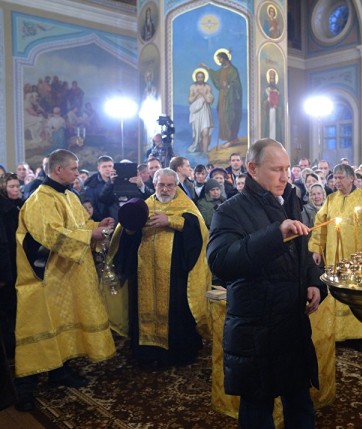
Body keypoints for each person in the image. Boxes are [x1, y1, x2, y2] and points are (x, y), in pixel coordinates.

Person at [207, 139, 327, 428]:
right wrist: (275, 235)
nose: (285, 176)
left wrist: (313, 281)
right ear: (252, 168)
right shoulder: (230, 210)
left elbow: (301, 251)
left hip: (291, 325)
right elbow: (221, 262)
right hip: (256, 333)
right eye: (276, 169)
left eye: (287, 168)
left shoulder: (291, 201)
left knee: (300, 406)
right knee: (257, 412)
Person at [13, 149, 116, 411]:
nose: (77, 172)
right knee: (39, 326)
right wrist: (89, 236)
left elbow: (80, 224)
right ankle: (25, 387)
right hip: (44, 277)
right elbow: (50, 235)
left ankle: (60, 370)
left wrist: (96, 225)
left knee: (64, 321)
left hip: (66, 274)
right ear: (58, 170)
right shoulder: (40, 200)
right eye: (73, 168)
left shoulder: (69, 195)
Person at [110, 169, 211, 367]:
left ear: (176, 185)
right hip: (144, 270)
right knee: (143, 308)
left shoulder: (185, 205)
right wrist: (130, 229)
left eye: (169, 185)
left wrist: (171, 221)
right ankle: (147, 352)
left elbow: (198, 232)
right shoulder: (144, 206)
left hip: (176, 273)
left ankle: (177, 353)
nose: (165, 189)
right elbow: (127, 235)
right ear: (154, 184)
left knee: (176, 310)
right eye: (161, 185)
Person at [308, 163, 362, 348]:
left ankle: (360, 336)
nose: (336, 181)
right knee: (335, 292)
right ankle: (336, 333)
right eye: (334, 178)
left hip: (357, 258)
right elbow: (320, 225)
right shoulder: (330, 199)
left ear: (352, 178)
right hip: (333, 256)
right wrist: (316, 248)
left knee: (356, 295)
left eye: (340, 178)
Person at [0, 173, 23, 360]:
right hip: (8, 266)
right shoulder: (5, 210)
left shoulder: (18, 206)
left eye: (17, 186)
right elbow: (4, 244)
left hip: (18, 263)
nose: (15, 190)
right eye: (11, 187)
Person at [201, 52, 242, 148]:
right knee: (223, 117)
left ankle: (232, 139)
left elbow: (237, 83)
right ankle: (230, 138)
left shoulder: (233, 70)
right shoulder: (222, 70)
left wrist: (228, 85)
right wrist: (207, 68)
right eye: (218, 59)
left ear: (224, 58)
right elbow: (215, 75)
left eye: (220, 59)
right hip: (223, 97)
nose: (219, 61)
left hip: (230, 98)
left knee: (229, 117)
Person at [188, 70, 214, 154]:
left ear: (204, 78)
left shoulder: (207, 87)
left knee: (205, 132)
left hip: (205, 110)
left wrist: (203, 94)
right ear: (196, 78)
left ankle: (205, 151)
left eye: (201, 77)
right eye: (198, 77)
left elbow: (209, 101)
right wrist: (196, 94)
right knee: (198, 133)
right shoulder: (193, 87)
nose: (200, 79)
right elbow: (190, 100)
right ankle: (201, 149)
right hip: (196, 112)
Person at [82, 155, 115, 220]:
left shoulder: (118, 182)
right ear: (98, 168)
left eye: (110, 166)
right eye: (104, 167)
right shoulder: (91, 185)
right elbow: (91, 206)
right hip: (100, 221)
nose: (108, 169)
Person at [262, 69, 282, 141]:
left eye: (273, 78)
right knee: (269, 130)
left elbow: (281, 103)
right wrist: (265, 103)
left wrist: (277, 106)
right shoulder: (266, 90)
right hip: (269, 113)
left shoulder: (278, 91)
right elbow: (263, 102)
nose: (272, 80)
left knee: (276, 131)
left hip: (275, 114)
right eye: (270, 78)